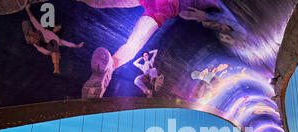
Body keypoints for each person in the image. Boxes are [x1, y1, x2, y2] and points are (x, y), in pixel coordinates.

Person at [78, 0, 225, 98]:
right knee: (133, 43)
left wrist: (205, 16)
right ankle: (111, 66)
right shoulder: (210, 75)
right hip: (162, 9)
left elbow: (223, 15)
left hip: (162, 8)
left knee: (132, 41)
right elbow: (222, 15)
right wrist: (205, 16)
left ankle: (110, 67)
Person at [23, 5, 84, 75]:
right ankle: (30, 36)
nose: (57, 28)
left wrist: (76, 46)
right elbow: (34, 21)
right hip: (39, 43)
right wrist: (28, 10)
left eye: (59, 28)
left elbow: (66, 43)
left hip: (47, 49)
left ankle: (56, 69)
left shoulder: (57, 39)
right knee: (37, 30)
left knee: (54, 42)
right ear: (54, 26)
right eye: (57, 26)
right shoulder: (44, 30)